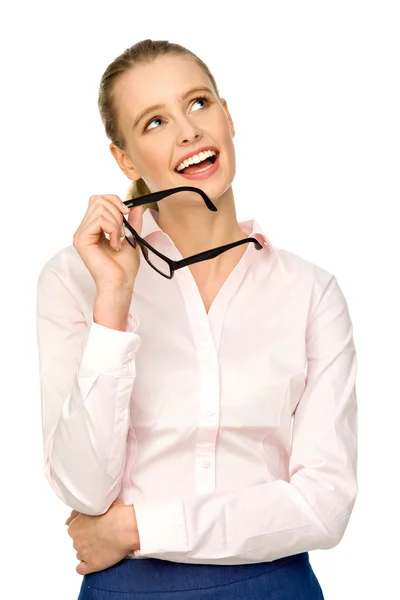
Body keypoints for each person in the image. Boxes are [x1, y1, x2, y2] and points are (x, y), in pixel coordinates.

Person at [36, 39, 358, 599]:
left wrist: (137, 528)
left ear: (228, 117)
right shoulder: (76, 278)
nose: (187, 130)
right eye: (155, 121)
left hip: (273, 587)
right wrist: (113, 301)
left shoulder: (310, 292)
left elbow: (325, 505)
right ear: (126, 159)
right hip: (127, 590)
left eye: (199, 104)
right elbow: (84, 490)